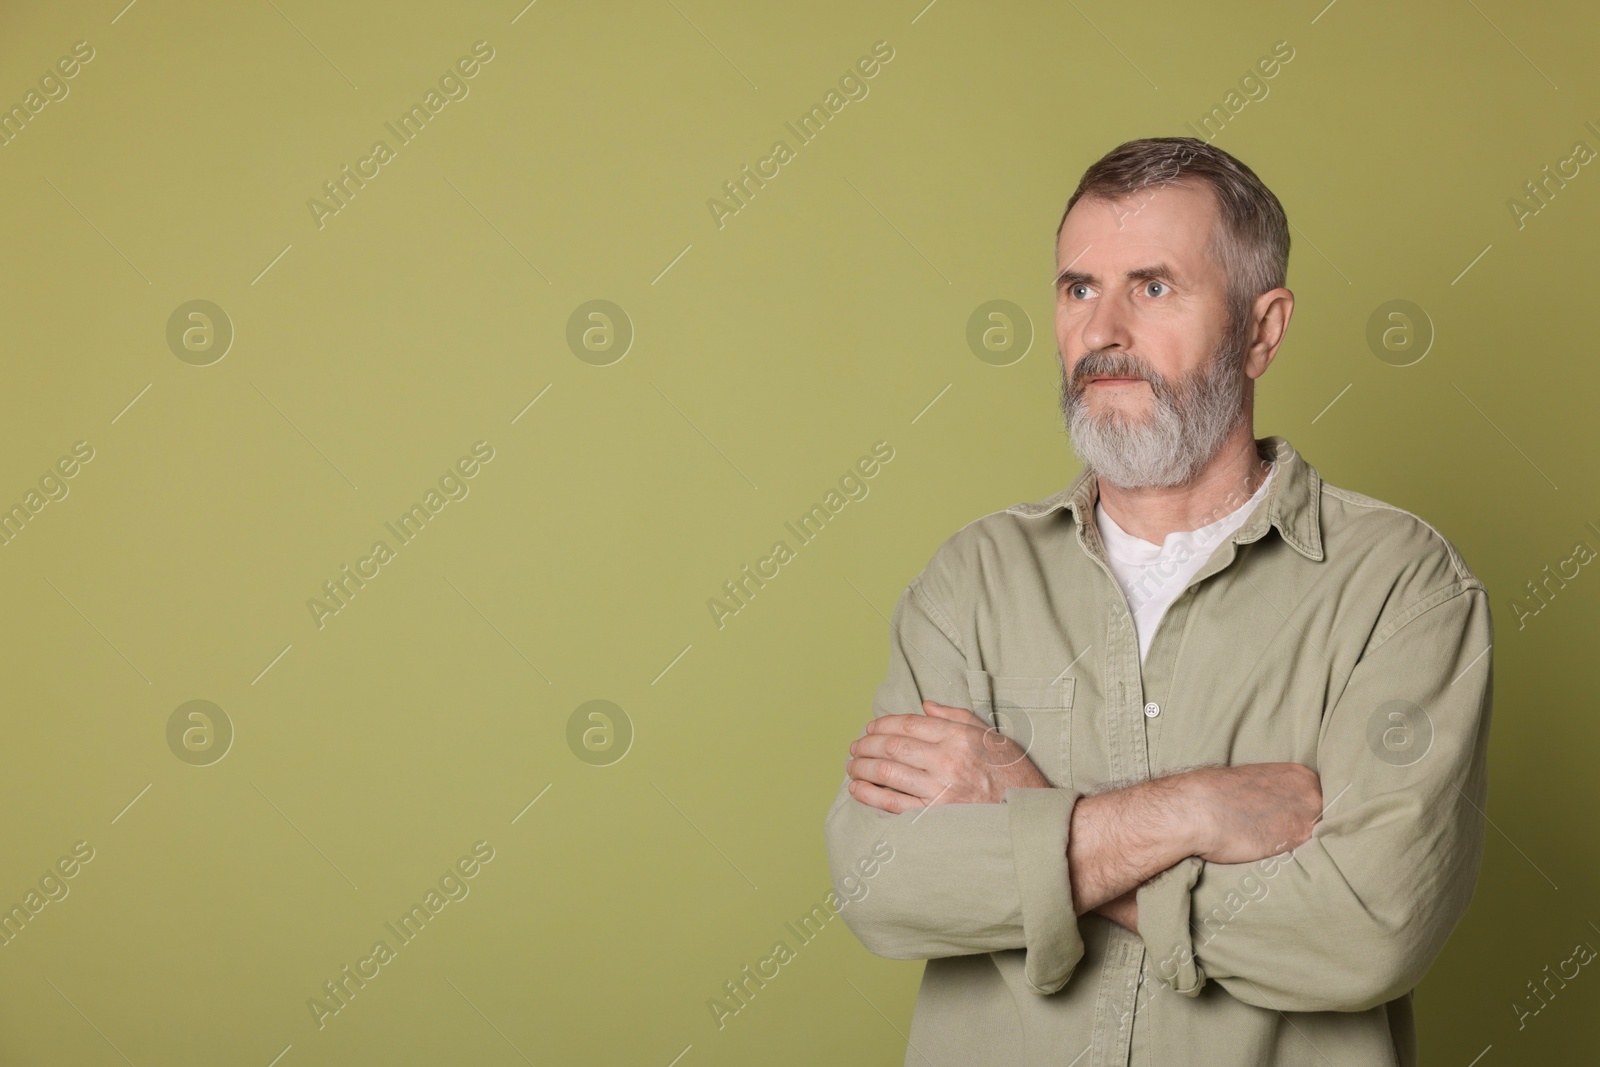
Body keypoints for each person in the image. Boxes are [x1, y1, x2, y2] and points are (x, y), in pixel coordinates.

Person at [824, 136, 1492, 1067]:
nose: (1102, 333)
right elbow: (879, 881)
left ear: (1262, 330)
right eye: (1078, 288)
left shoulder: (1401, 586)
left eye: (1153, 286)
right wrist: (1191, 811)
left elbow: (1366, 928)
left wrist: (1028, 816)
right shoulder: (971, 580)